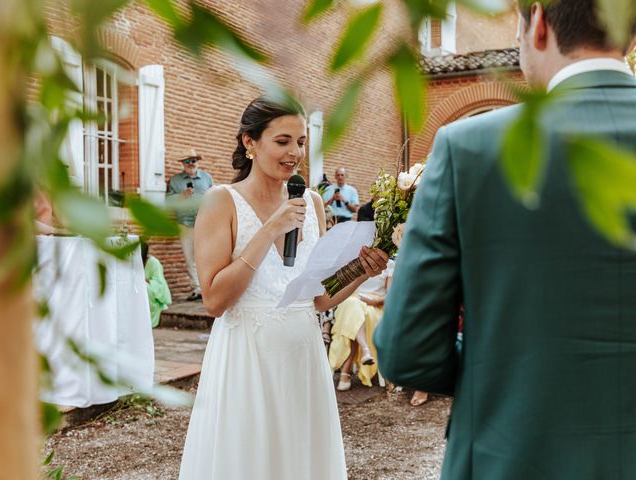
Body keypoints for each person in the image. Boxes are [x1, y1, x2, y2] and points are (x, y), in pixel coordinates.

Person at [375, 1, 636, 479]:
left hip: (510, 457)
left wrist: (499, 368)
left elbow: (406, 352)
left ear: (537, 23)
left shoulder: (467, 148)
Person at [178, 96, 388, 480]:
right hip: (247, 361)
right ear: (250, 142)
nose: (295, 153)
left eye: (302, 142)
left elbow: (321, 295)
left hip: (302, 358)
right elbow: (214, 299)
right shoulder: (220, 202)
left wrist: (361, 269)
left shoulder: (311, 202)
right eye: (283, 141)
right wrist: (271, 229)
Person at [329, 259, 394, 391]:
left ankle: (345, 372)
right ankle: (365, 350)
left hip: (375, 306)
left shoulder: (390, 264)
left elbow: (391, 294)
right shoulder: (352, 259)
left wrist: (376, 301)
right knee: (353, 306)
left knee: (356, 318)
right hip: (351, 301)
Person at [166, 148, 213, 301]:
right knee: (189, 258)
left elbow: (216, 197)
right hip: (185, 224)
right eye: (187, 161)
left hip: (205, 223)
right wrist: (181, 196)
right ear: (183, 163)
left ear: (197, 162)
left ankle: (208, 287)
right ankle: (197, 289)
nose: (190, 164)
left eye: (193, 160)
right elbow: (168, 202)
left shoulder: (207, 178)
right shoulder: (175, 181)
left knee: (207, 257)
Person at [141, 242, 172, 328]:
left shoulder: (154, 263)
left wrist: (147, 281)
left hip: (153, 293)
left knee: (144, 287)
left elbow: (160, 284)